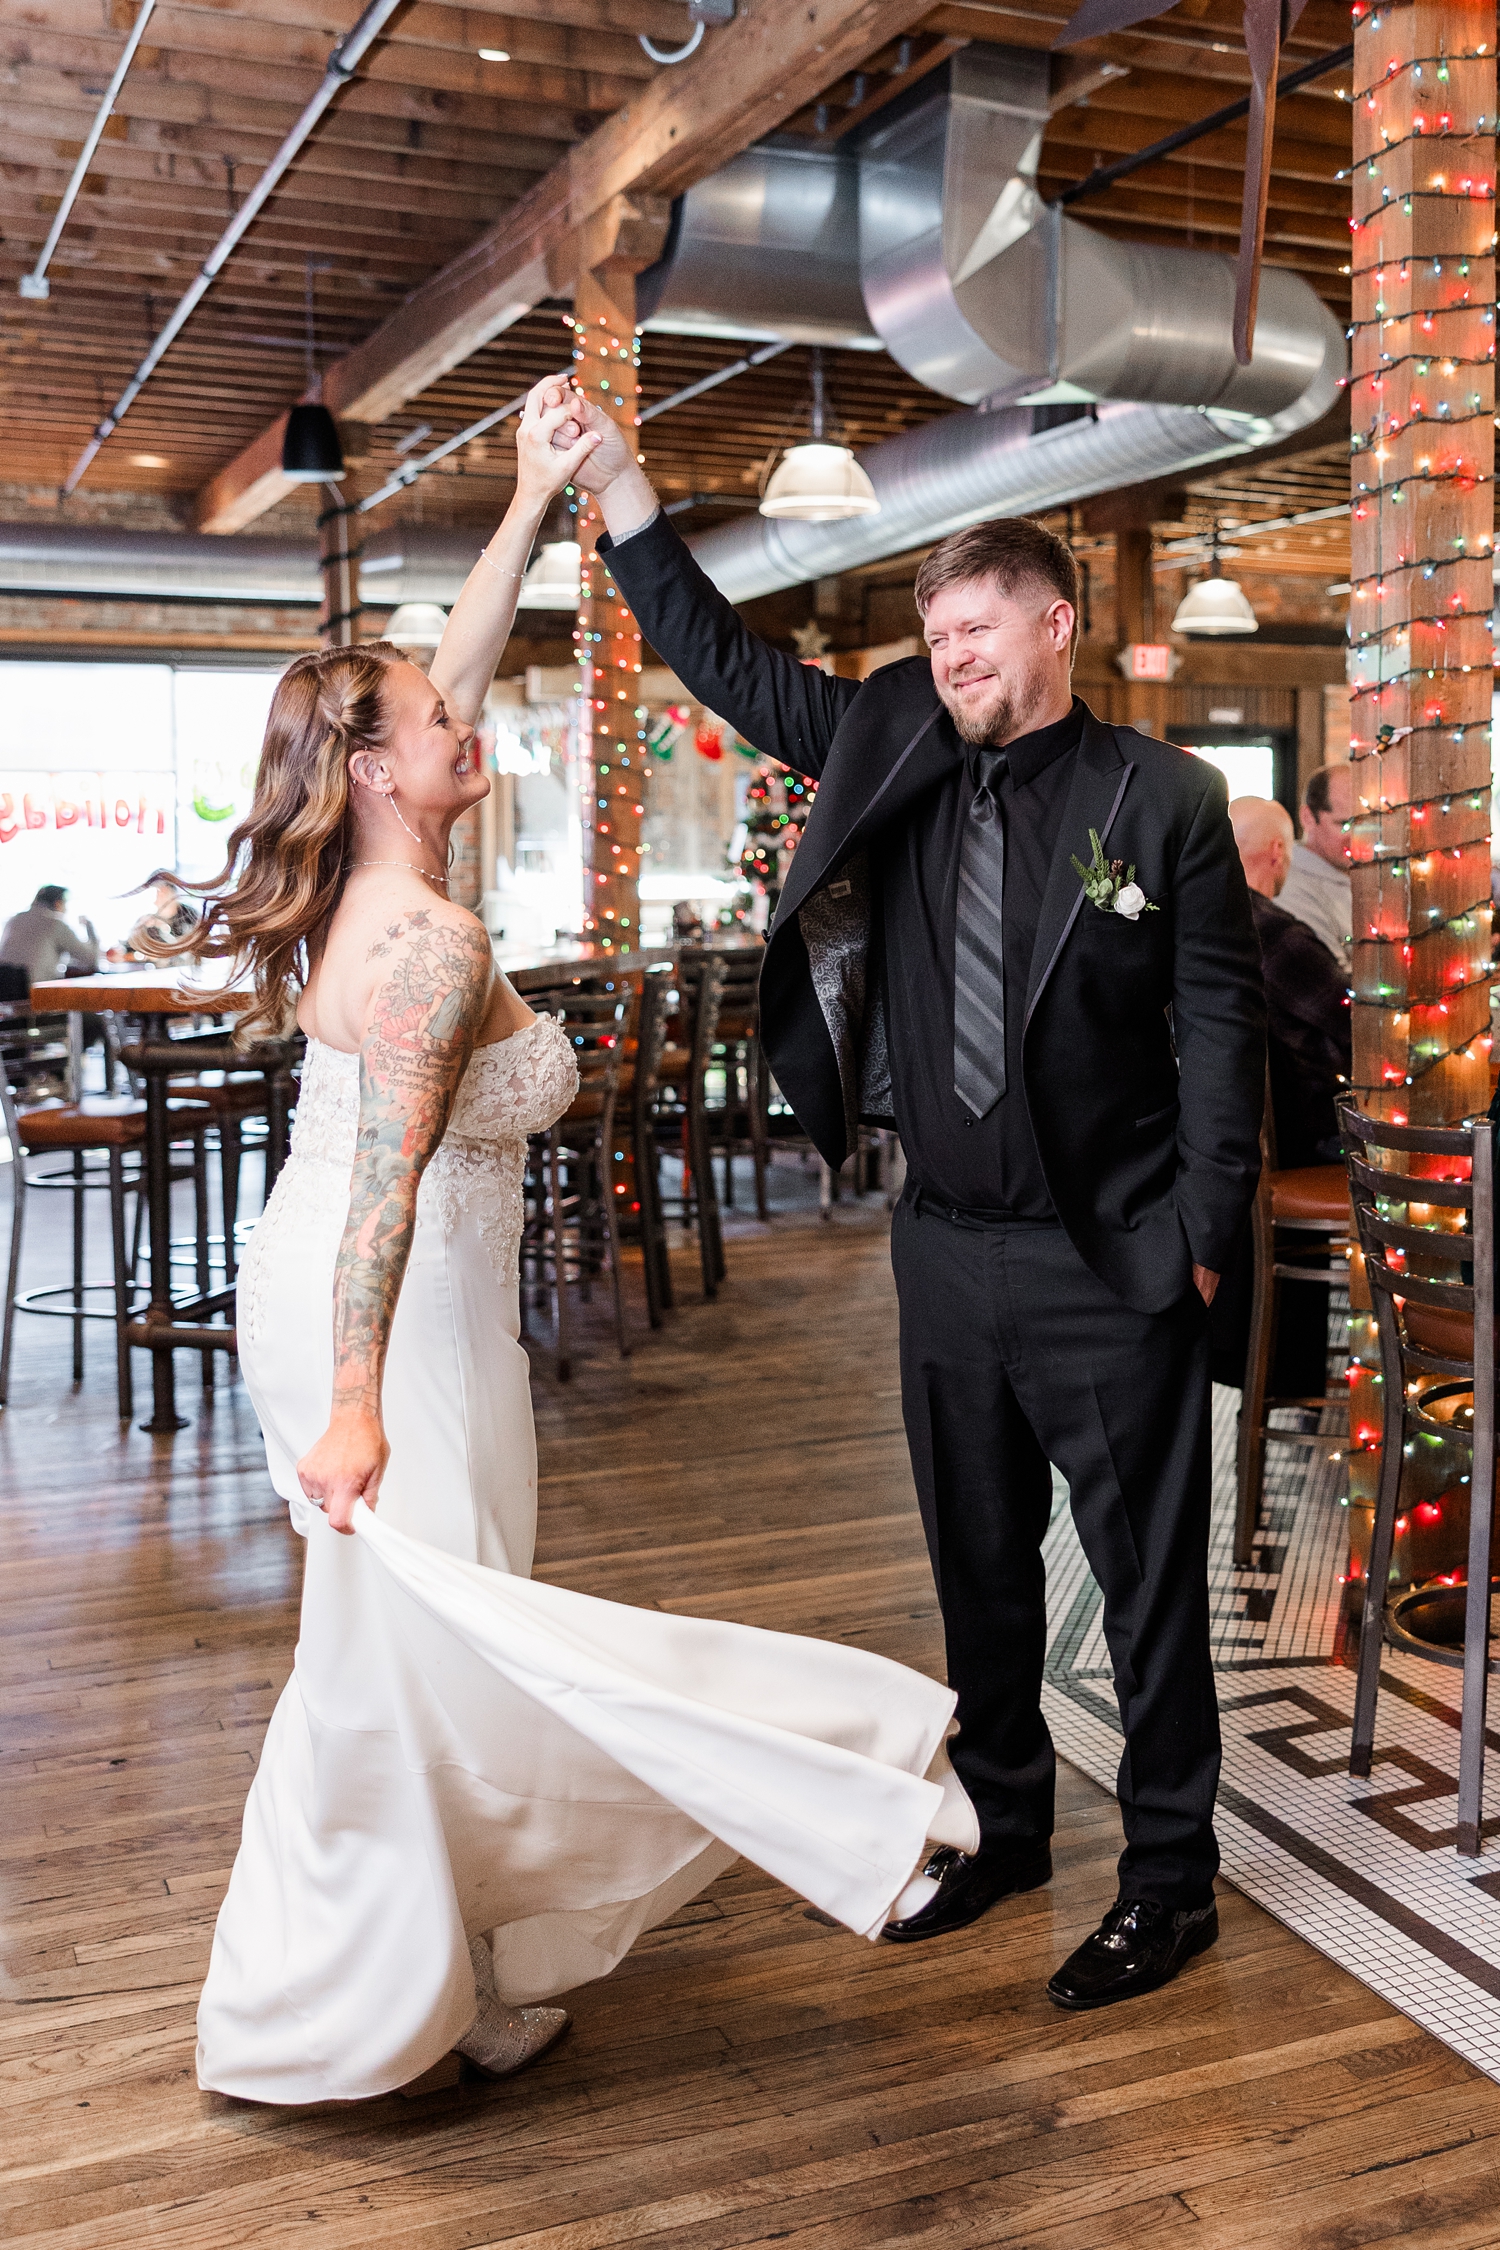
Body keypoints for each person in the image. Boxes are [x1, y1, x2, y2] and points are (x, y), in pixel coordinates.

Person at [155, 377, 976, 2107]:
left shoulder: (384, 871)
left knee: (444, 1640)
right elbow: (383, 1193)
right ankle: (339, 2007)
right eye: (435, 717)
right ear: (380, 770)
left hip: (420, 1307)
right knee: (412, 1653)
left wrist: (536, 496)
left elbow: (440, 668)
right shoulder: (428, 947)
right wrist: (361, 1403)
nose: (473, 718)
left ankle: (461, 1972)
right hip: (384, 1320)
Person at [564, 385, 1265, 2012]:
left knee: (1148, 1586)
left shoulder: (1161, 802)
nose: (950, 654)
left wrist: (1203, 1243)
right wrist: (623, 495)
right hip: (942, 1255)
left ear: (1054, 625)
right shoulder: (889, 734)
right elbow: (727, 668)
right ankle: (1009, 1828)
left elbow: (1222, 1037)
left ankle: (1171, 1883)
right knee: (977, 1567)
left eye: (975, 627)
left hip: (1114, 1256)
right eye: (935, 630)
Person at [1229, 795, 1350, 1168]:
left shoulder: (1217, 922)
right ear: (1278, 850)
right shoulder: (1274, 933)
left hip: (1245, 1136)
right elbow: (1354, 1021)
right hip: (1314, 1136)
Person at [1276, 762, 1353, 971]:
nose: (1358, 837)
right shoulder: (1290, 887)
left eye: (1369, 822)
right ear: (1308, 818)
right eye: (1344, 824)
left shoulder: (1367, 875)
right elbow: (1335, 981)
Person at [0, 884, 98, 983]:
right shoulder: (55, 924)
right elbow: (91, 959)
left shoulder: (14, 920)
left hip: (5, 992)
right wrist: (89, 926)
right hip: (37, 991)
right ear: (58, 903)